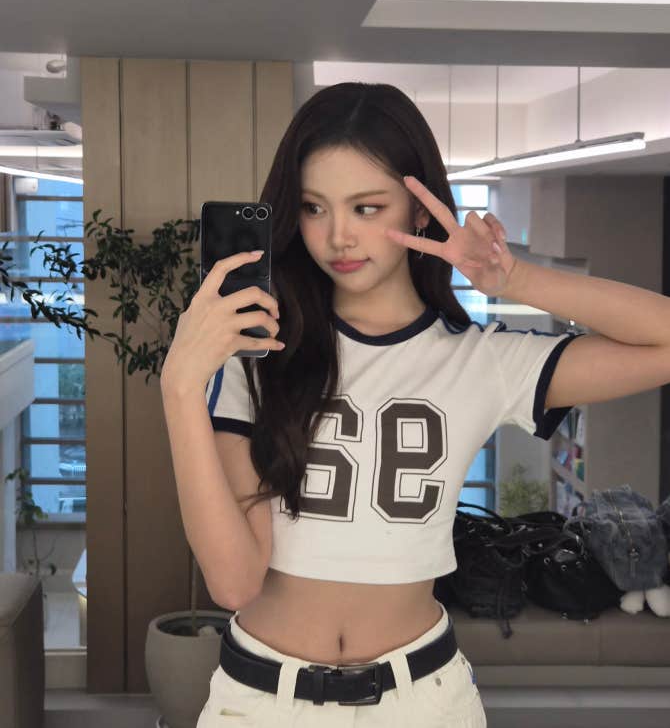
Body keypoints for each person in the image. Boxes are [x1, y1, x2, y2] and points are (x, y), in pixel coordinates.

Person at [161, 81, 588, 727]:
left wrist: (513, 276)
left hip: (423, 702)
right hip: (260, 702)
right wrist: (179, 387)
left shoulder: (481, 359)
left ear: (420, 210)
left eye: (366, 207)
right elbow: (234, 582)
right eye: (314, 207)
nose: (338, 236)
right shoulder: (261, 352)